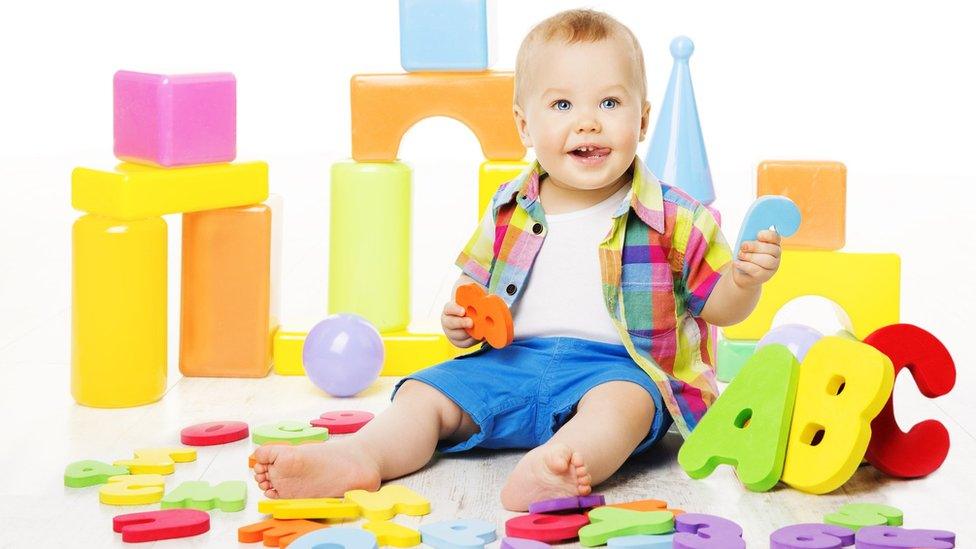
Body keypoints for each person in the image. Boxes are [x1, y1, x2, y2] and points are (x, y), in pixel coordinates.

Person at [253, 8, 782, 512]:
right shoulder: (510, 206)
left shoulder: (677, 216)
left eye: (610, 104)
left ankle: (557, 466)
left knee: (624, 407)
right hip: (508, 363)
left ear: (642, 120)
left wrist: (743, 279)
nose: (588, 124)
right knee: (422, 394)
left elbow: (721, 309)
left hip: (615, 368)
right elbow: (473, 290)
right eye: (561, 106)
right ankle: (359, 456)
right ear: (524, 126)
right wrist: (460, 323)